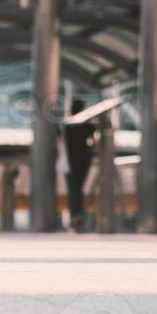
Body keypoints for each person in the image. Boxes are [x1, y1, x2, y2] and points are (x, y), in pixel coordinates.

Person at [63, 98, 97, 232]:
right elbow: (94, 143)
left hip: (69, 160)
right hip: (84, 159)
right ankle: (78, 218)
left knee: (73, 189)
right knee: (79, 188)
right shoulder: (87, 125)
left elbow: (60, 141)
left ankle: (74, 217)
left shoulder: (66, 125)